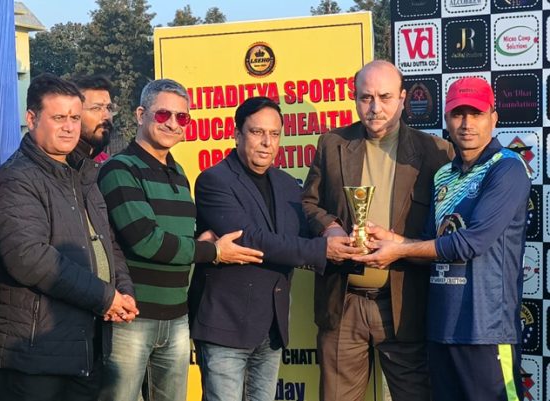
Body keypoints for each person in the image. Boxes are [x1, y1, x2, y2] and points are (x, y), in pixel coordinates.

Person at [355, 76, 530, 401]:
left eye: (475, 114)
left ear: (493, 117)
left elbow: (471, 242)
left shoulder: (507, 168)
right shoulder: (443, 175)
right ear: (446, 119)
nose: (466, 124)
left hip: (486, 331)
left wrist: (398, 249)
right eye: (457, 114)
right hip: (441, 329)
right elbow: (428, 243)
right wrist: (390, 240)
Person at [97, 78, 263, 401]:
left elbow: (180, 238)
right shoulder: (120, 170)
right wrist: (212, 251)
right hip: (132, 318)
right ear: (140, 114)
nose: (173, 123)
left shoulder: (180, 172)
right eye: (163, 115)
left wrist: (200, 240)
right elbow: (146, 240)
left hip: (176, 318)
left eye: (182, 117)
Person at [301, 60, 454, 401]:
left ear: (402, 98)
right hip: (343, 302)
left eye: (384, 97)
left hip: (405, 304)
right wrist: (327, 228)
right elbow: (308, 204)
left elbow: (448, 231)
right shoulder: (332, 144)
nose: (374, 108)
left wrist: (402, 246)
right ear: (353, 98)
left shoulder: (435, 152)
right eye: (365, 97)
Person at [189, 97, 359, 401]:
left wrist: (340, 233)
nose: (267, 143)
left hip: (271, 328)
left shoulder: (287, 185)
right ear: (237, 134)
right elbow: (251, 239)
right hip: (225, 327)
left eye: (275, 134)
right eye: (257, 133)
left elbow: (306, 225)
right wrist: (322, 250)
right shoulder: (214, 180)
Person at [0, 73, 137, 401]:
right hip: (34, 354)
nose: (69, 127)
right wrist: (104, 297)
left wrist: (123, 290)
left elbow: (106, 241)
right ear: (31, 118)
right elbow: (29, 258)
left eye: (74, 118)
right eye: (58, 118)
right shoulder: (16, 179)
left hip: (83, 349)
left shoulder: (83, 174)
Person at [69, 73, 116, 162]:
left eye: (109, 108)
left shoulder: (107, 163)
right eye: (96, 108)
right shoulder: (60, 165)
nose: (107, 116)